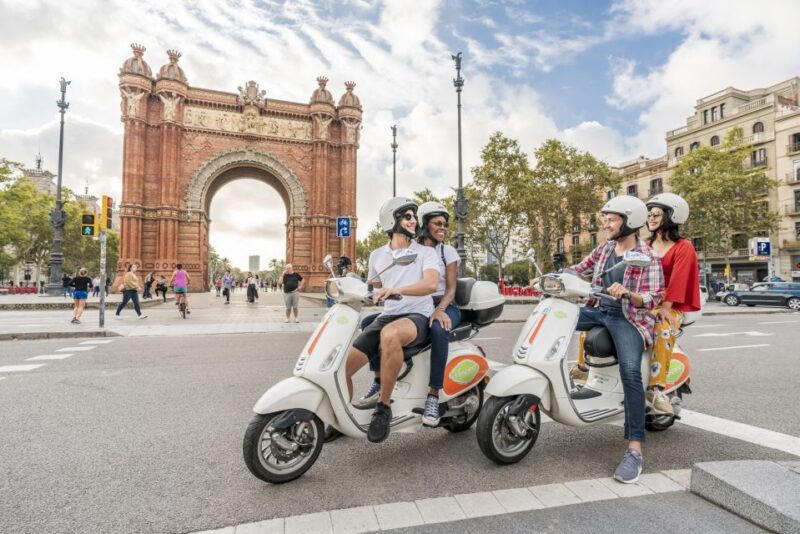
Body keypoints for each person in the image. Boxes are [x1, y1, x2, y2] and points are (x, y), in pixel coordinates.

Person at [567, 195, 663, 483]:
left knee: (631, 372)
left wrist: (629, 294)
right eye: (605, 219)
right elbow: (579, 269)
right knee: (556, 318)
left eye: (611, 220)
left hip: (628, 318)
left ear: (629, 222)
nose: (606, 224)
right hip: (599, 310)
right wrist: (553, 277)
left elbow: (653, 297)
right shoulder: (605, 248)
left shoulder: (648, 256)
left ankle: (634, 450)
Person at [345, 196, 440, 443]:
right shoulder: (377, 255)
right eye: (407, 216)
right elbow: (374, 286)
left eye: (414, 216)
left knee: (390, 335)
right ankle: (342, 415)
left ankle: (383, 407)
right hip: (388, 315)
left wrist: (397, 290)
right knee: (343, 366)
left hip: (417, 315)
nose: (413, 220)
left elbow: (430, 284)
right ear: (392, 220)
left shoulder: (425, 252)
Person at [645, 193, 700, 414]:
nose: (651, 217)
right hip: (644, 301)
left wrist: (665, 308)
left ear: (672, 216)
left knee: (662, 328)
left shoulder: (683, 246)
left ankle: (656, 389)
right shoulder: (645, 244)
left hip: (671, 304)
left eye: (656, 214)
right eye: (649, 214)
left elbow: (679, 278)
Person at [416, 201, 461, 426]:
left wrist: (440, 309)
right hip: (420, 304)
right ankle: (380, 382)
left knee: (438, 328)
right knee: (372, 323)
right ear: (424, 225)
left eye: (445, 224)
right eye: (437, 223)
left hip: (446, 304)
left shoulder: (447, 251)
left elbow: (451, 289)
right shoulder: (413, 251)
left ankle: (433, 394)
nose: (443, 227)